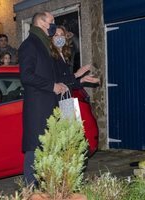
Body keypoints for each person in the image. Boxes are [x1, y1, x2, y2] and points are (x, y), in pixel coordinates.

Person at [18, 12, 67, 186]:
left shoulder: (45, 44)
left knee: (48, 151)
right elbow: (27, 76)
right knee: (34, 152)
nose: (54, 24)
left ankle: (47, 190)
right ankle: (30, 192)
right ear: (41, 22)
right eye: (52, 21)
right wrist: (52, 86)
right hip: (38, 109)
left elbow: (55, 72)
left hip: (49, 106)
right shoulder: (30, 45)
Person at [50, 25, 100, 90]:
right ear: (51, 39)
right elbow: (56, 81)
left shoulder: (63, 55)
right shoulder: (50, 56)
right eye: (56, 35)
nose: (59, 37)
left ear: (65, 37)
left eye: (62, 35)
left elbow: (68, 84)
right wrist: (76, 74)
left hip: (66, 97)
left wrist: (82, 80)